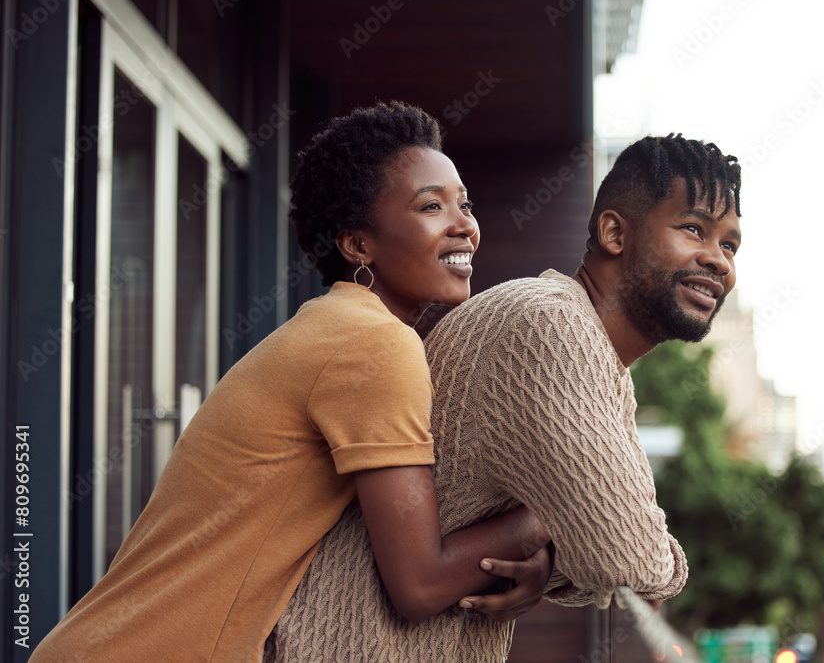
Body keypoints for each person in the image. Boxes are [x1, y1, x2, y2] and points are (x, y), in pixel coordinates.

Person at [31, 102, 552, 662]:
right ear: (358, 246)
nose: (464, 225)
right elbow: (420, 585)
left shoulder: (339, 328)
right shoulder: (374, 344)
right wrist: (552, 513)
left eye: (464, 204)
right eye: (431, 206)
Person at [270, 133, 742, 661]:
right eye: (694, 229)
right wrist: (563, 534)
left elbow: (598, 546)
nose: (719, 260)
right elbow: (627, 559)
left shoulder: (599, 363)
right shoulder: (549, 325)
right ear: (613, 232)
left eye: (729, 245)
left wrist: (555, 549)